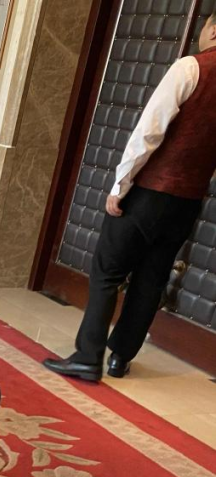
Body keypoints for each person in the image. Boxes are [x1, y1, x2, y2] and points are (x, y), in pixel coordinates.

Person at [45, 12, 216, 382]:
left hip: (149, 191)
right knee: (151, 279)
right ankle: (120, 358)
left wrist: (120, 186)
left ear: (213, 29)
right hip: (188, 200)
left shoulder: (190, 68)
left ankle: (87, 356)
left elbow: (148, 132)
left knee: (107, 270)